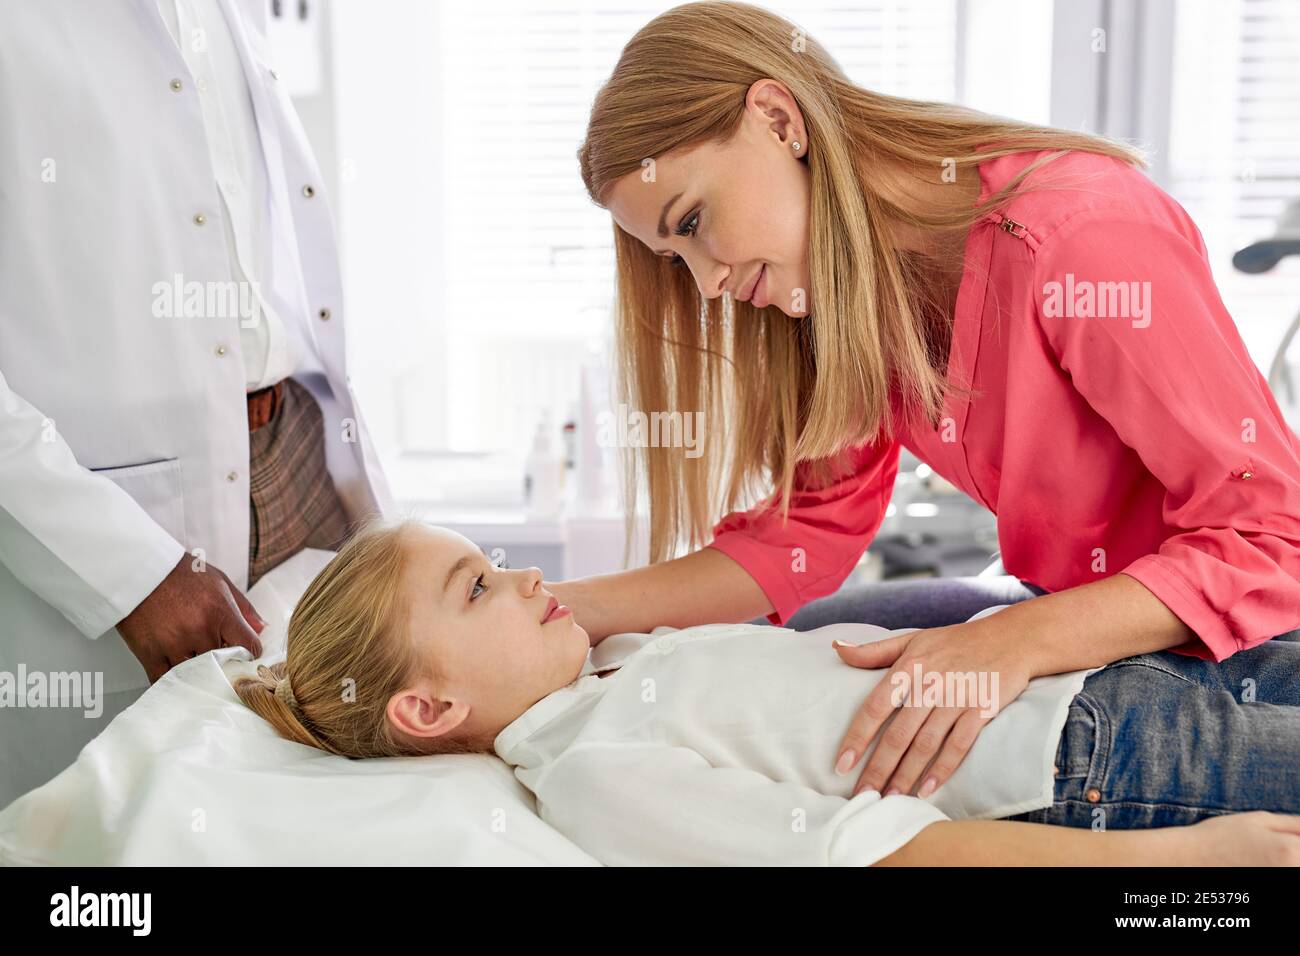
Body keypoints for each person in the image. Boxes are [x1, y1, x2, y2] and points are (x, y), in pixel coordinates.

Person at [543, 1, 1300, 800]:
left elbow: (1274, 534)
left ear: (776, 119)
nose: (709, 286)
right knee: (806, 652)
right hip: (1065, 609)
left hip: (1232, 634)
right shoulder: (846, 289)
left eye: (693, 222)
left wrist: (1017, 640)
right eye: (673, 258)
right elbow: (805, 534)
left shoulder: (1078, 240)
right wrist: (561, 610)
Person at [233, 519, 1300, 866]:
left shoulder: (615, 665)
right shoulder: (594, 773)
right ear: (427, 708)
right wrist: (1177, 859)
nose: (523, 577)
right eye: (477, 587)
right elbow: (885, 850)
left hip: (1090, 669)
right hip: (1093, 763)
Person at [0, 0, 390, 807]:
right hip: (127, 519)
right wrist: (131, 572)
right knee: (125, 826)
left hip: (300, 461)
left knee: (314, 815)